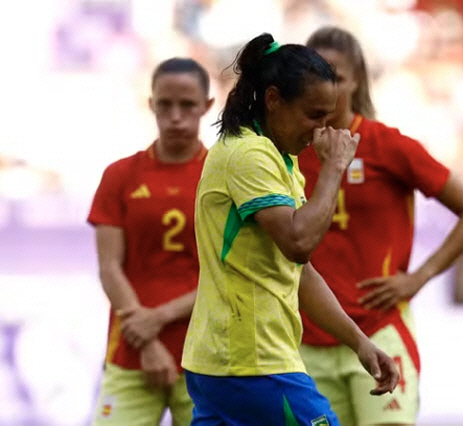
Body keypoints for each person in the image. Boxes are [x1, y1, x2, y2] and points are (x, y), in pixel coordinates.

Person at [182, 33, 399, 425]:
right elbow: (299, 243)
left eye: (328, 118)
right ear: (273, 99)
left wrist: (360, 344)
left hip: (224, 362)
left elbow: (300, 272)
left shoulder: (279, 157)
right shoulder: (249, 154)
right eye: (313, 115)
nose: (321, 131)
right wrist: (335, 168)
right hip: (252, 363)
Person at [297, 26, 463, 426]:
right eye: (314, 75)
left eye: (336, 75)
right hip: (306, 338)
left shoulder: (389, 146)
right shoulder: (288, 153)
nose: (326, 87)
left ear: (357, 81)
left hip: (380, 327)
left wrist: (418, 278)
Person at [87, 57, 214, 425]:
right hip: (131, 353)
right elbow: (109, 267)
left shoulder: (223, 177)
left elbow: (228, 272)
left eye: (187, 105)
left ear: (206, 106)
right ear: (151, 104)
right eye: (165, 104)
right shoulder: (120, 175)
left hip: (204, 356)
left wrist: (156, 318)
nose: (176, 116)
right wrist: (146, 338)